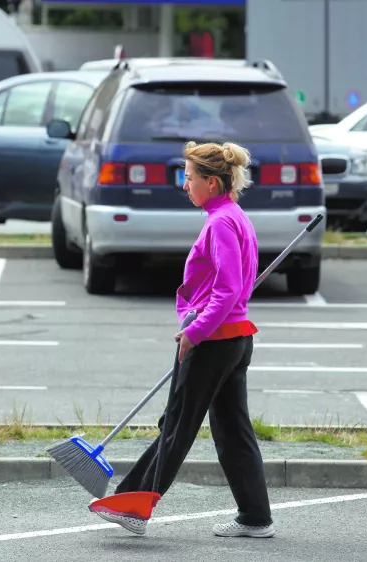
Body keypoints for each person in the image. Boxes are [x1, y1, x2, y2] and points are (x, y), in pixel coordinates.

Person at [90, 140, 275, 539]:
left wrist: (194, 332)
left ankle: (133, 505)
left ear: (211, 182)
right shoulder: (234, 216)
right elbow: (231, 287)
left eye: (189, 178)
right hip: (235, 338)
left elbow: (226, 290)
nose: (184, 185)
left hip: (215, 340)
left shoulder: (222, 222)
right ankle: (255, 517)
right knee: (232, 430)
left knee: (177, 425)